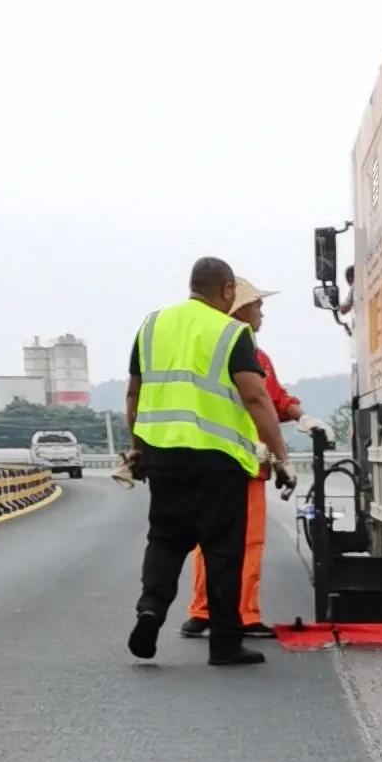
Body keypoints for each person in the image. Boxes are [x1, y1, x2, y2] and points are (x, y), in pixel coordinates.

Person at [124, 255, 295, 668]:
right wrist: (282, 457)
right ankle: (225, 644)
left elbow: (134, 393)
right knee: (223, 552)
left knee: (164, 541)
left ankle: (151, 609)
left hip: (163, 455)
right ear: (228, 291)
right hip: (219, 462)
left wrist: (137, 448)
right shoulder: (232, 332)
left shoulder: (151, 325)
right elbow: (255, 396)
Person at [182, 277, 302, 642]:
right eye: (257, 306)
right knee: (246, 541)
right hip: (244, 462)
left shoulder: (210, 350)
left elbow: (276, 398)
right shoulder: (247, 352)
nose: (261, 313)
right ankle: (240, 614)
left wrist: (301, 415)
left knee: (209, 539)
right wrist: (280, 451)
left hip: (208, 461)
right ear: (239, 309)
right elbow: (263, 400)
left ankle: (204, 612)